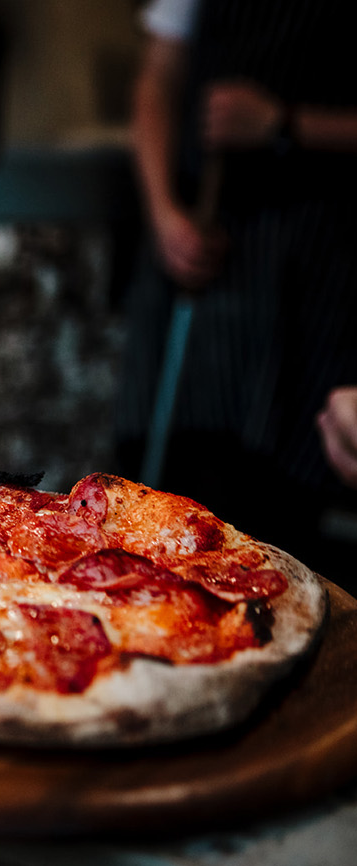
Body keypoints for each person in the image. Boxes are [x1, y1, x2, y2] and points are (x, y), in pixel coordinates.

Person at [116, 0, 357, 577]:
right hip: (205, 236)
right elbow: (158, 80)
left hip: (318, 251)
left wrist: (283, 123)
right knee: (175, 471)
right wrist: (164, 214)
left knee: (285, 499)